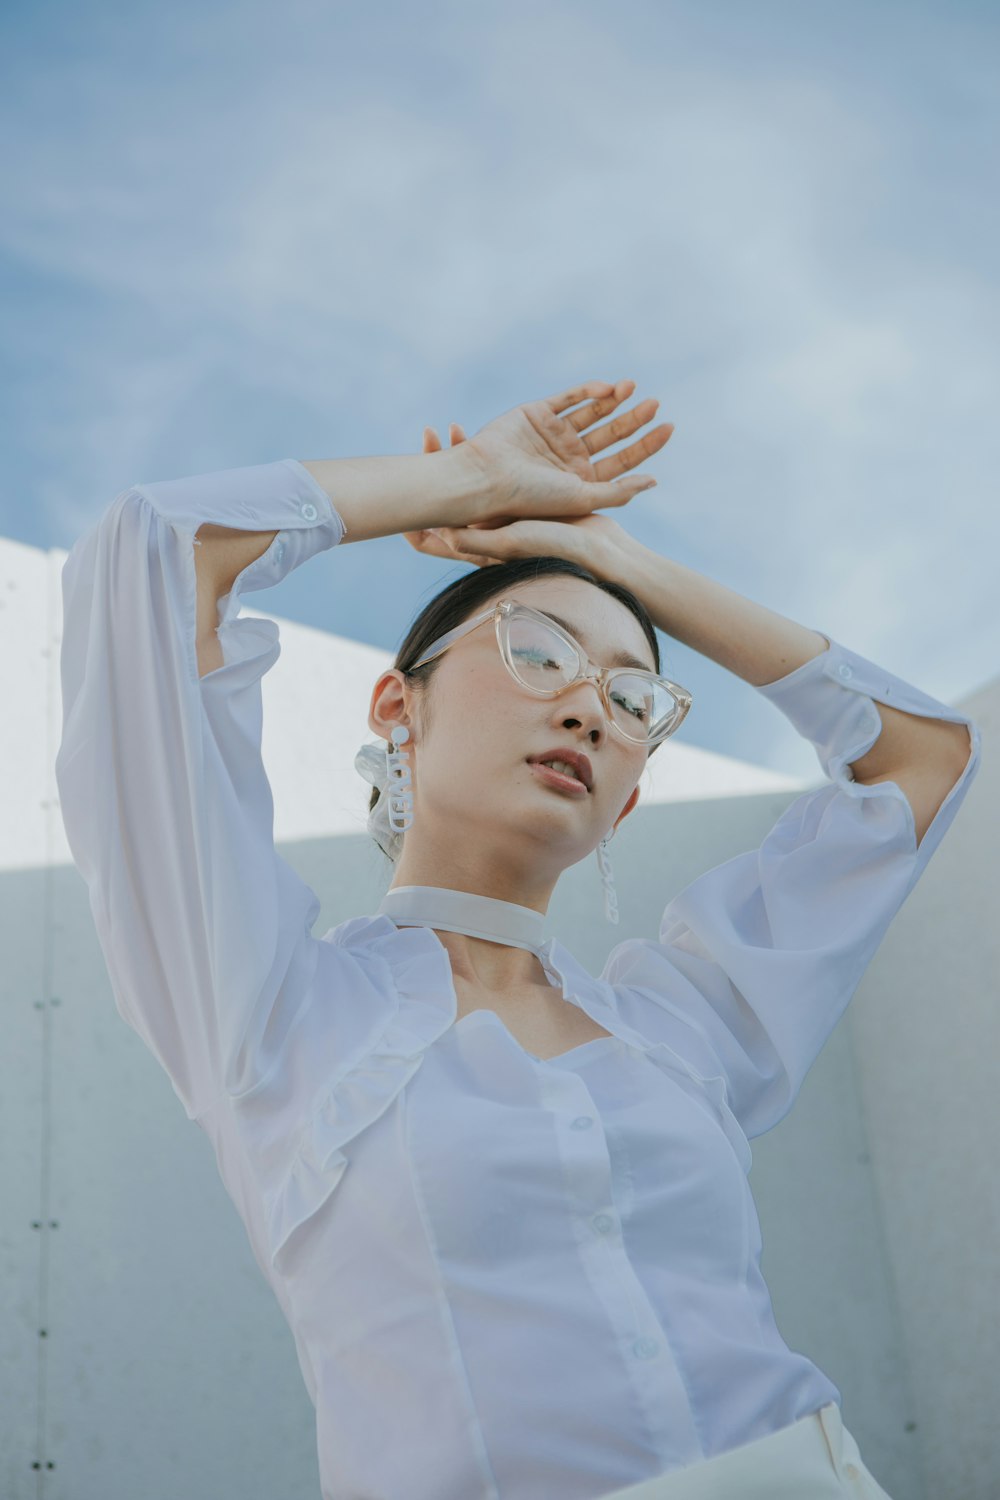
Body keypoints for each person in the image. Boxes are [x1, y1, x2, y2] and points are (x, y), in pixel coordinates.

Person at [55, 377, 979, 1500]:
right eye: (537, 649)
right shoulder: (272, 1012)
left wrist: (623, 564)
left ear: (627, 802)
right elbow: (154, 550)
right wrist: (468, 484)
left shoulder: (687, 1030)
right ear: (397, 706)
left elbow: (921, 764)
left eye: (634, 699)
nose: (591, 707)